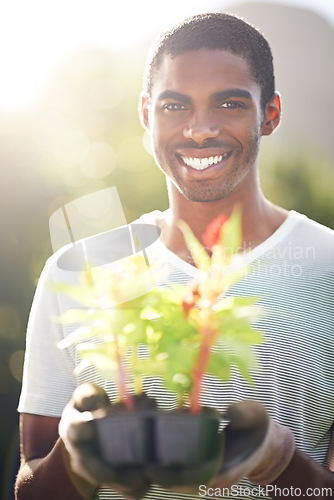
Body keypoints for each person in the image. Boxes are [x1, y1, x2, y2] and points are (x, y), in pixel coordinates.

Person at [15, 12, 334, 500]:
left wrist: (280, 463)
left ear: (269, 114)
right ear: (147, 115)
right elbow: (30, 487)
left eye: (229, 103)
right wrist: (75, 460)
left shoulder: (327, 266)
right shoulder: (77, 269)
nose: (200, 129)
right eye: (175, 106)